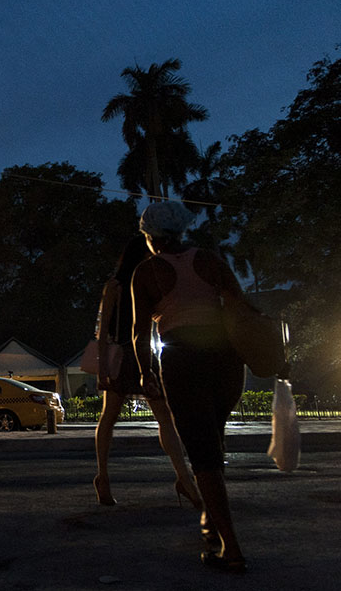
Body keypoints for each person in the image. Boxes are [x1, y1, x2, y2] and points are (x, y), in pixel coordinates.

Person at [131, 201, 248, 573]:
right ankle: (211, 522)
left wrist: (145, 371)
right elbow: (238, 303)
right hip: (226, 357)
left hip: (183, 360)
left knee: (202, 454)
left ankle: (230, 549)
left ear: (151, 237)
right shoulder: (210, 259)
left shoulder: (147, 272)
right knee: (215, 438)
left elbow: (139, 332)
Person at [92, 235, 201, 508]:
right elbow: (104, 330)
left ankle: (184, 478)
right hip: (120, 353)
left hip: (142, 354)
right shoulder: (115, 286)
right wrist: (101, 367)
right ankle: (102, 477)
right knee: (111, 416)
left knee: (163, 414)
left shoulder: (148, 283)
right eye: (148, 255)